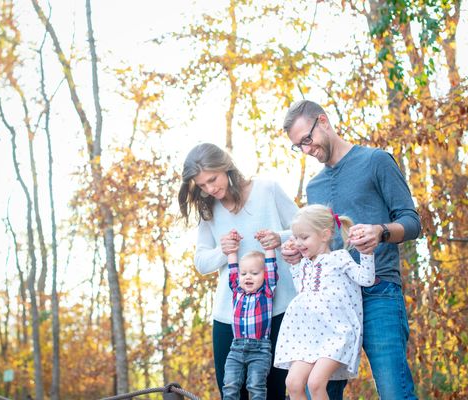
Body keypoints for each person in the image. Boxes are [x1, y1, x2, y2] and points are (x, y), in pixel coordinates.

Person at [281, 100, 421, 399]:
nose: (306, 149)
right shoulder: (315, 187)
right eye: (298, 146)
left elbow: (411, 222)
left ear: (323, 121)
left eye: (307, 139)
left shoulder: (376, 161)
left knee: (393, 390)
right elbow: (323, 246)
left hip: (377, 292)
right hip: (329, 305)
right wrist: (300, 252)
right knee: (312, 387)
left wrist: (380, 232)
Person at [178, 143, 298, 399]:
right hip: (230, 318)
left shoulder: (268, 189)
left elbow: (305, 231)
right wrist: (223, 251)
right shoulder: (208, 209)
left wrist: (280, 237)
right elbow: (201, 263)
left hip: (278, 312)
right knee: (231, 392)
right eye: (201, 185)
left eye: (212, 179)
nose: (210, 189)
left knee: (273, 392)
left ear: (226, 167)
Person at [274, 205, 375, 400]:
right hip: (306, 335)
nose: (298, 243)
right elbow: (301, 290)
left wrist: (366, 253)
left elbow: (366, 279)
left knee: (315, 383)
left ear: (325, 235)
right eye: (295, 238)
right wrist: (294, 265)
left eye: (304, 237)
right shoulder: (304, 263)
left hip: (336, 333)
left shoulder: (339, 258)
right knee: (293, 384)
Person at [222, 230, 279, 400]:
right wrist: (232, 250)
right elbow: (233, 269)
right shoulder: (236, 290)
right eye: (244, 273)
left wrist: (268, 246)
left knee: (255, 387)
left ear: (264, 275)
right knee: (230, 385)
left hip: (260, 349)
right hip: (236, 348)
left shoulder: (266, 291)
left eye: (254, 273)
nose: (248, 277)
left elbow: (271, 266)